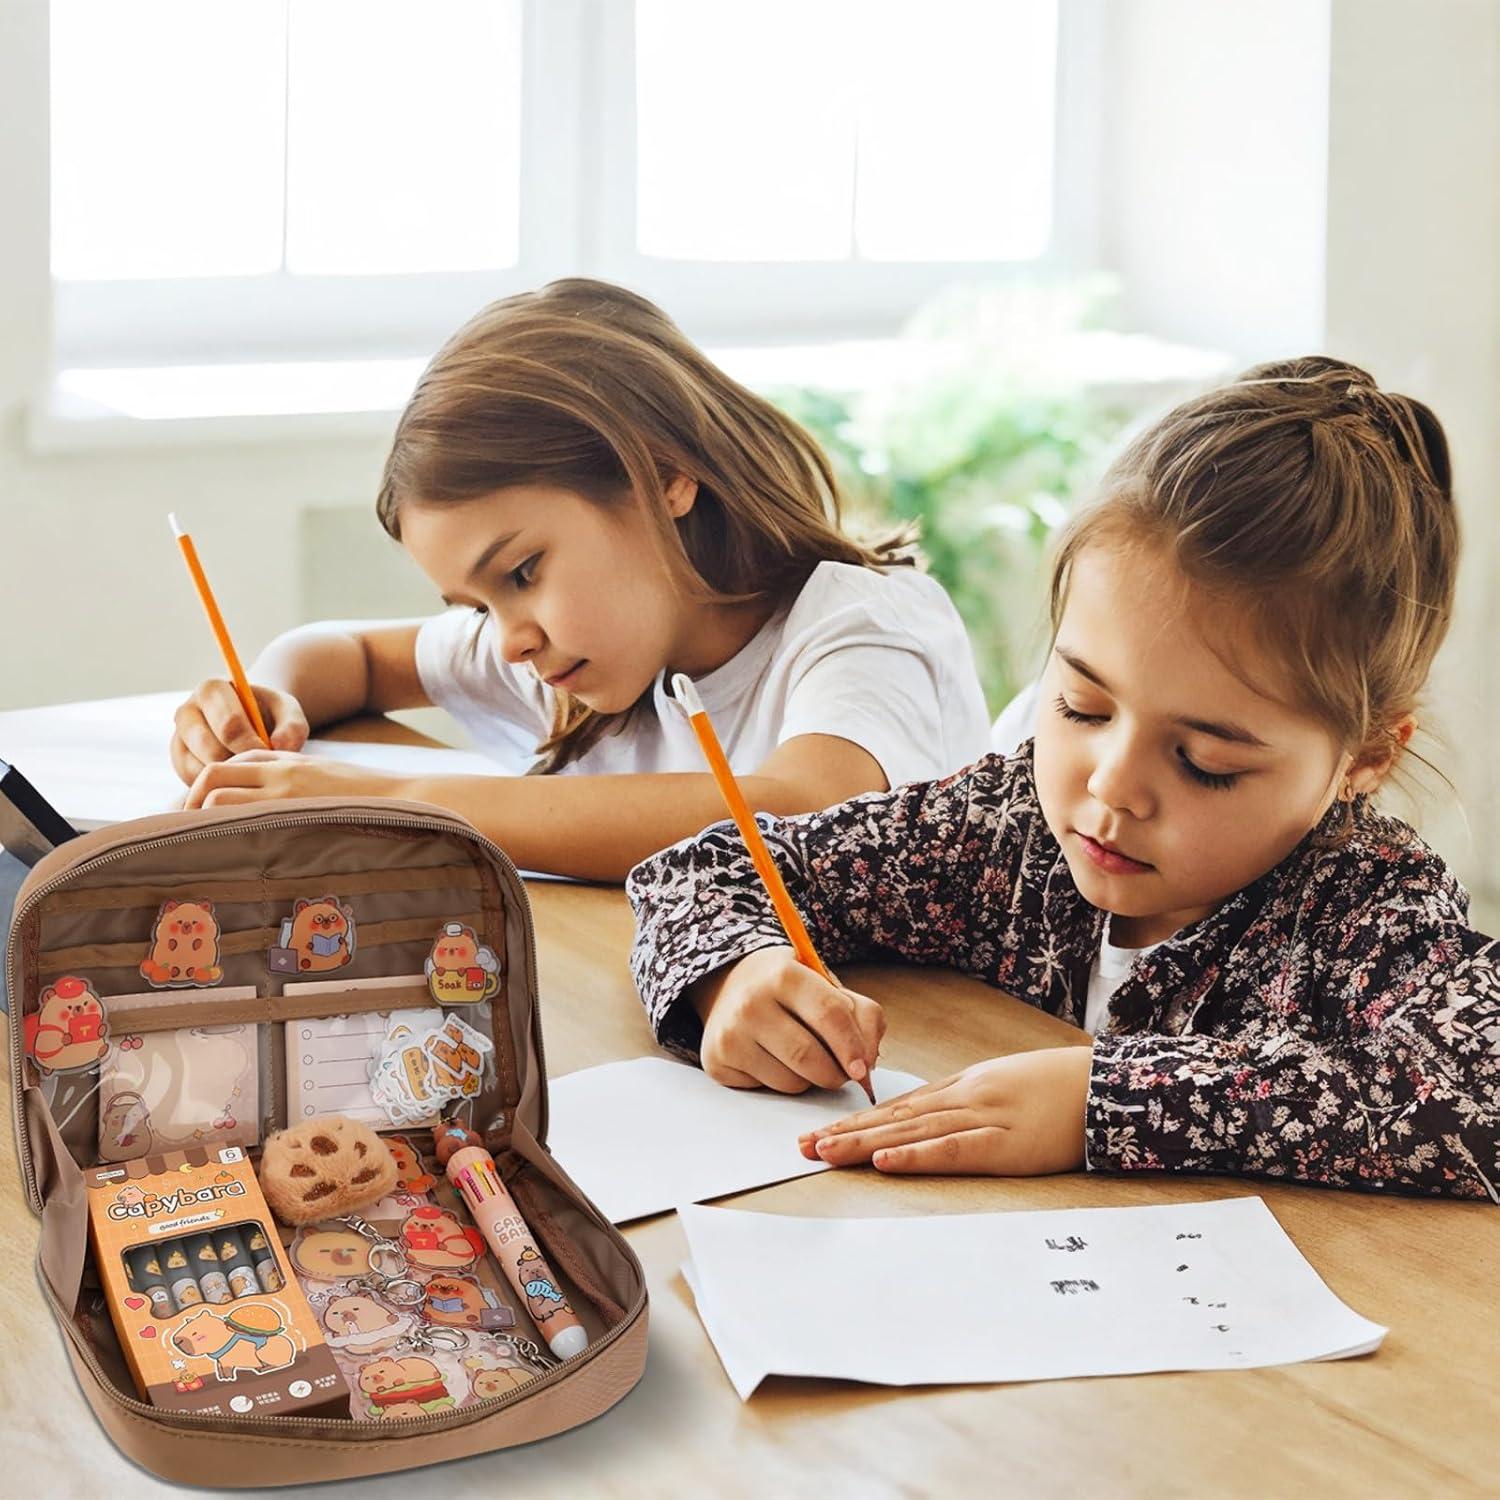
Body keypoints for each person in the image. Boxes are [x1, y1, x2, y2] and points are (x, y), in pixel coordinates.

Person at [626, 357, 1500, 1200]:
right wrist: (735, 972)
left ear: (1367, 757)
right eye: (1081, 706)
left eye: (1206, 762)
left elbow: (1474, 1095)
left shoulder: (1368, 909)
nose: (1111, 786)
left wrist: (1099, 1102)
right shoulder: (1006, 828)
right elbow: (707, 869)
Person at [168, 280, 989, 881]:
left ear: (665, 475)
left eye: (522, 572)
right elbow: (341, 652)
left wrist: (400, 803)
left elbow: (805, 808)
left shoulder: (863, 628)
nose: (510, 639)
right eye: (477, 607)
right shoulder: (575, 661)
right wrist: (264, 705)